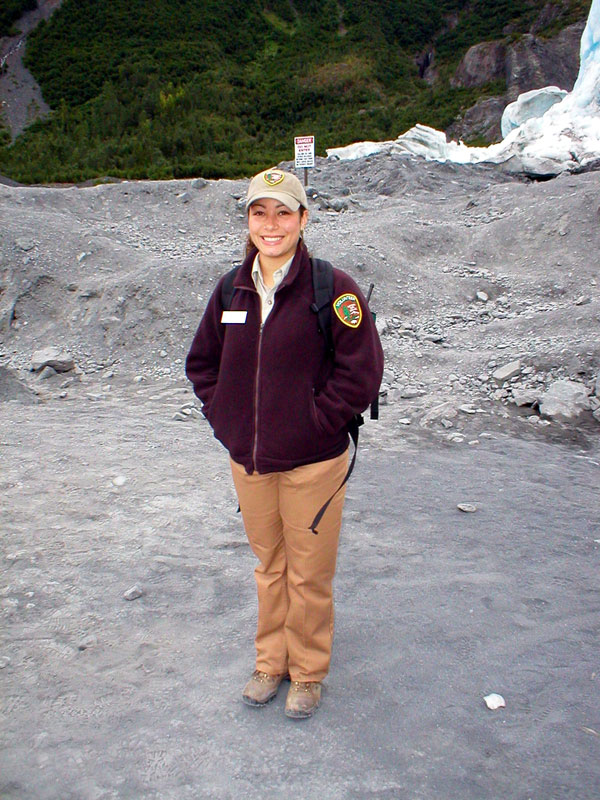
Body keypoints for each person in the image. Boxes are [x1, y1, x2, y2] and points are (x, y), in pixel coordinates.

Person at [185, 167, 383, 719]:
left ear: (302, 220)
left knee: (309, 571)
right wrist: (225, 419)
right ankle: (271, 662)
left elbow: (362, 371)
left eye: (283, 212)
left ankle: (308, 672)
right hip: (248, 461)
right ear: (248, 220)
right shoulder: (231, 288)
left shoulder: (332, 288)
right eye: (259, 212)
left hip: (313, 463)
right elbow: (202, 363)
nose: (270, 225)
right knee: (269, 565)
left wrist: (318, 422)